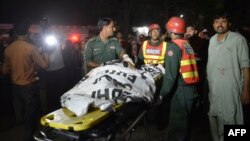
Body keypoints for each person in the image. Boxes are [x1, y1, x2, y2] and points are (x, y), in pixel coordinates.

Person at [1, 20, 49, 141]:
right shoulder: (31, 48)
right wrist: (47, 53)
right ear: (27, 32)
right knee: (30, 117)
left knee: (21, 116)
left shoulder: (8, 49)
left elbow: (4, 71)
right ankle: (30, 137)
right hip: (29, 87)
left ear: (15, 33)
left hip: (15, 87)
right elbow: (44, 65)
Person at [207, 12, 250, 141]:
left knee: (233, 120)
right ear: (213, 24)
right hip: (214, 90)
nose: (220, 24)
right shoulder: (212, 40)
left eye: (223, 21)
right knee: (215, 121)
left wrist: (246, 90)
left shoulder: (238, 39)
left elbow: (246, 66)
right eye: (217, 21)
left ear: (228, 24)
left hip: (231, 90)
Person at [160, 17, 199, 141]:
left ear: (171, 31)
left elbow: (170, 76)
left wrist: (162, 95)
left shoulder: (173, 46)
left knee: (177, 128)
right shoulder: (186, 43)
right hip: (192, 90)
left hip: (181, 91)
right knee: (186, 126)